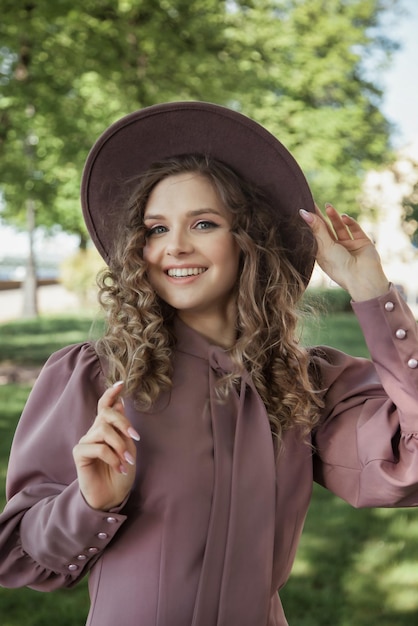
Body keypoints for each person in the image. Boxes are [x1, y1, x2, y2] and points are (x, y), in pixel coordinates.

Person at [0, 101, 417, 626]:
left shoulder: (302, 386)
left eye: (202, 223)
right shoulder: (94, 376)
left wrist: (372, 291)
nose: (174, 246)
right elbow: (24, 556)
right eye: (155, 229)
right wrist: (89, 503)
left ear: (248, 242)